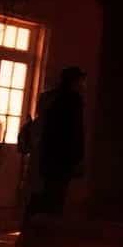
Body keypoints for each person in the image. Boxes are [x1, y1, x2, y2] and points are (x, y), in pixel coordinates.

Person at [18, 66, 86, 224]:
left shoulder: (48, 97)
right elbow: (75, 132)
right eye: (81, 80)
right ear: (75, 81)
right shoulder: (73, 100)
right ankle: (44, 235)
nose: (83, 85)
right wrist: (78, 159)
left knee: (38, 195)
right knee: (54, 198)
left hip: (43, 154)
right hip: (61, 158)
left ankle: (30, 231)